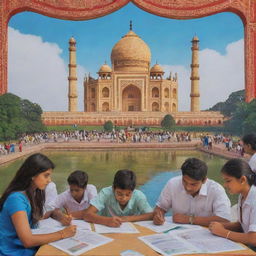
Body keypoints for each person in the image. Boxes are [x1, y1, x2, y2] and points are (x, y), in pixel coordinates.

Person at [0, 153, 76, 256]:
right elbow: (28, 241)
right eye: (46, 175)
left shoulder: (34, 193)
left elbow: (42, 216)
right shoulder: (16, 199)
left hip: (27, 249)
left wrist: (62, 217)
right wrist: (63, 234)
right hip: (13, 252)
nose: (49, 180)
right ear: (32, 174)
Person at [153, 158, 231, 227]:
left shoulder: (216, 190)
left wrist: (190, 219)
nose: (188, 187)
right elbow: (160, 208)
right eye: (185, 181)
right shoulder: (172, 184)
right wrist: (158, 216)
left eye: (193, 184)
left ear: (204, 180)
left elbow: (224, 219)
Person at [209, 158, 256, 248]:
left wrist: (224, 232)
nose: (225, 185)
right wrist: (221, 226)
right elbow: (242, 225)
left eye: (228, 181)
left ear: (242, 180)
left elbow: (253, 238)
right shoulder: (242, 195)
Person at [83, 169, 153, 227]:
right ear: (113, 188)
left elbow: (151, 215)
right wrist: (106, 221)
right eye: (119, 194)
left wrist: (129, 218)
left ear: (133, 190)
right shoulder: (105, 193)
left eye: (128, 194)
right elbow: (87, 215)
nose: (124, 198)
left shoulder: (138, 196)